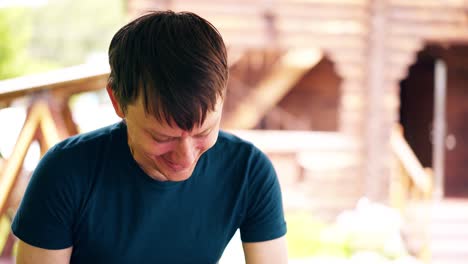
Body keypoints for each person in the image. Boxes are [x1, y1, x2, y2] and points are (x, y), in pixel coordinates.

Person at [11, 10, 287, 263]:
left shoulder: (248, 172)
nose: (186, 156)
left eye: (203, 132)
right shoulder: (65, 172)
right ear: (118, 101)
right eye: (162, 137)